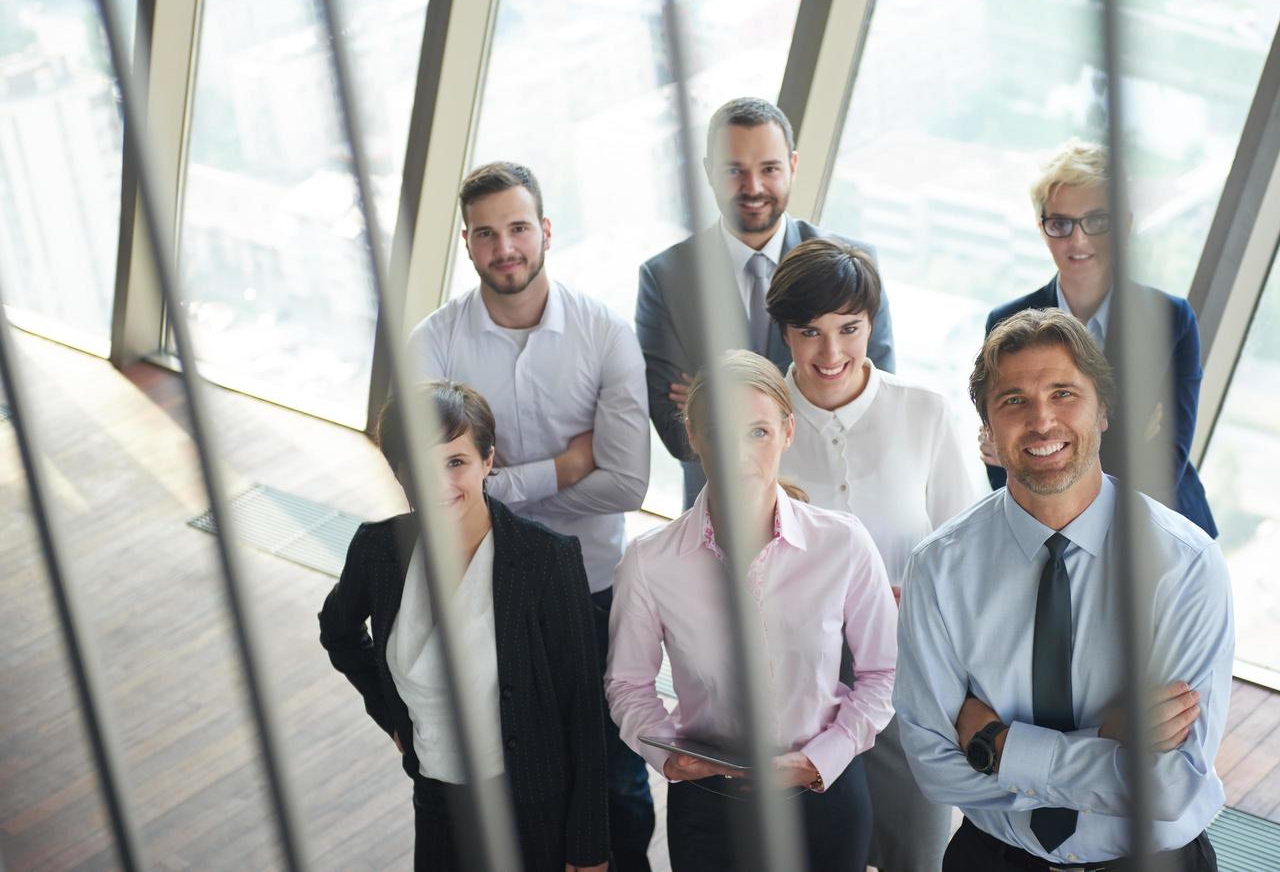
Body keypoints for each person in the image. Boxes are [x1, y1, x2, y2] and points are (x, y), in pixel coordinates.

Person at [895, 309, 1234, 871]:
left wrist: (999, 747)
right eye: (1013, 402)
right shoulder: (939, 569)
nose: (1042, 422)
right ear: (987, 429)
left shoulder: (1184, 566)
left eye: (1063, 393)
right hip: (994, 858)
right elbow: (934, 766)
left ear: (1103, 411)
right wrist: (1107, 740)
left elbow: (1172, 785)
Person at [407, 162, 654, 871]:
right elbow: (438, 493)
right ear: (466, 243)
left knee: (612, 770)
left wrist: (495, 485)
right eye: (486, 235)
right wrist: (568, 467)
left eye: (518, 228)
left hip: (591, 584)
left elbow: (629, 482)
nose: (504, 247)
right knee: (501, 762)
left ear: (545, 231)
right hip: (481, 585)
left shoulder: (604, 332)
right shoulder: (434, 342)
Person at [605, 350, 897, 872]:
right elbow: (628, 684)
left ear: (788, 431)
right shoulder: (649, 563)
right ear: (693, 437)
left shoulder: (844, 543)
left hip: (822, 796)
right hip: (709, 806)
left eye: (758, 432)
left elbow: (885, 673)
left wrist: (819, 758)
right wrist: (668, 755)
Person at [318, 380, 609, 871]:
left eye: (457, 462)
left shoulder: (545, 561)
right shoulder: (377, 551)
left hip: (533, 810)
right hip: (436, 799)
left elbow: (584, 710)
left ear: (487, 460)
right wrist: (393, 718)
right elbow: (338, 632)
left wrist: (589, 847)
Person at [764, 237, 977, 872]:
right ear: (785, 332)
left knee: (914, 850)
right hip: (795, 690)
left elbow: (968, 554)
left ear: (871, 323)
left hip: (908, 682)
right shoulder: (757, 422)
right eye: (810, 331)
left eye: (849, 328)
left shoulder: (926, 414)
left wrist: (910, 602)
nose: (831, 352)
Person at [637, 96, 897, 507]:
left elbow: (873, 401)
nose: (753, 187)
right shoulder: (664, 278)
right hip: (721, 517)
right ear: (708, 172)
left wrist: (721, 404)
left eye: (769, 169)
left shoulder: (854, 265)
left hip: (831, 502)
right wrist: (818, 389)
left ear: (792, 166)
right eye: (733, 171)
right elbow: (678, 434)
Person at [984, 139, 1217, 536]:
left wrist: (1053, 459)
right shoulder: (1006, 322)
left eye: (1096, 221)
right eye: (1060, 224)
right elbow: (1001, 461)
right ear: (1042, 229)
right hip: (1049, 535)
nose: (1078, 240)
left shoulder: (1170, 320)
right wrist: (1124, 441)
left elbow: (1165, 464)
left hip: (1160, 532)